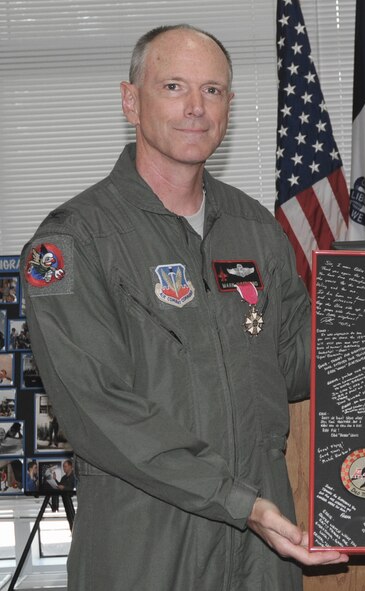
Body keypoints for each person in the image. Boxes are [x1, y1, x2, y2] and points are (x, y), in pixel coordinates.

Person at [20, 24, 346, 590]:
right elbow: (101, 412)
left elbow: (296, 366)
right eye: (174, 87)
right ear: (131, 101)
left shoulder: (258, 232)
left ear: (229, 106)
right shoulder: (72, 242)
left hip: (261, 554)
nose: (197, 107)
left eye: (213, 91)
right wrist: (238, 501)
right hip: (145, 551)